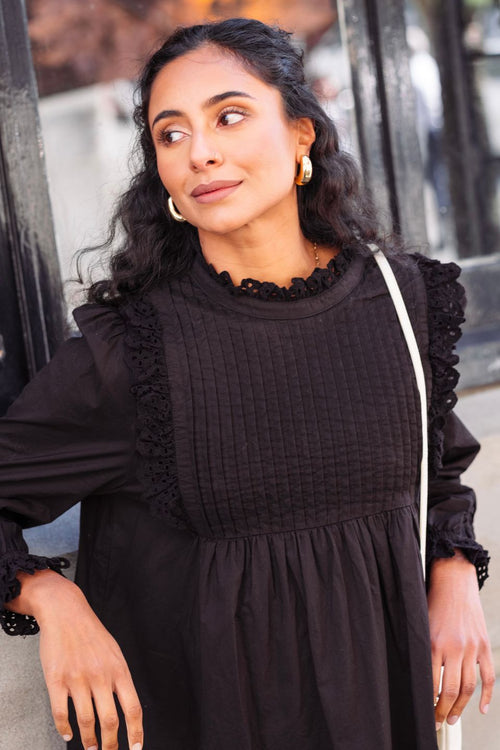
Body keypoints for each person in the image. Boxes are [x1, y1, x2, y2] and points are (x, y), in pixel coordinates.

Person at [0, 17, 494, 750]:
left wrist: (453, 570)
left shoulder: (400, 300)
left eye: (229, 116)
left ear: (301, 135)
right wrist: (50, 596)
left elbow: (432, 467)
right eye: (170, 135)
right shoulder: (133, 349)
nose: (200, 152)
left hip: (378, 712)